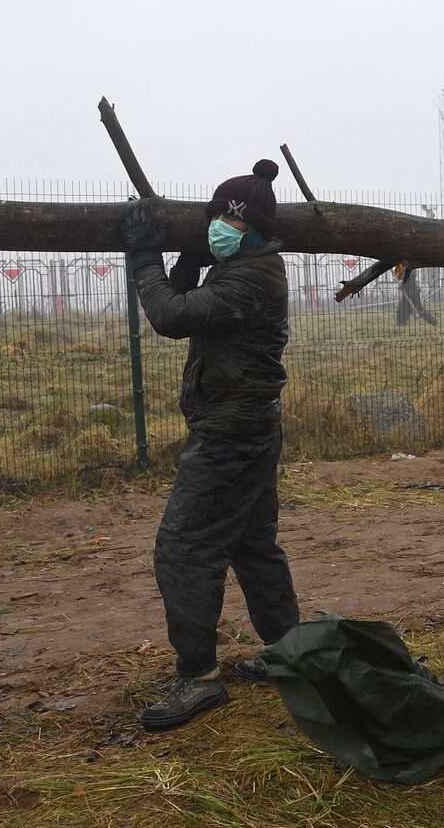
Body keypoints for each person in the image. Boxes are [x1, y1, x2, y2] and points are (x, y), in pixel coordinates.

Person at [117, 160, 301, 730]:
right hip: (248, 427)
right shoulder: (244, 267)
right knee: (252, 544)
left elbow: (171, 316)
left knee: (184, 549)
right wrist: (189, 260)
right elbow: (186, 302)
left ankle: (197, 679)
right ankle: (290, 652)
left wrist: (144, 256)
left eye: (222, 217)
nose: (213, 226)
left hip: (230, 437)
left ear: (244, 223)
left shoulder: (252, 277)